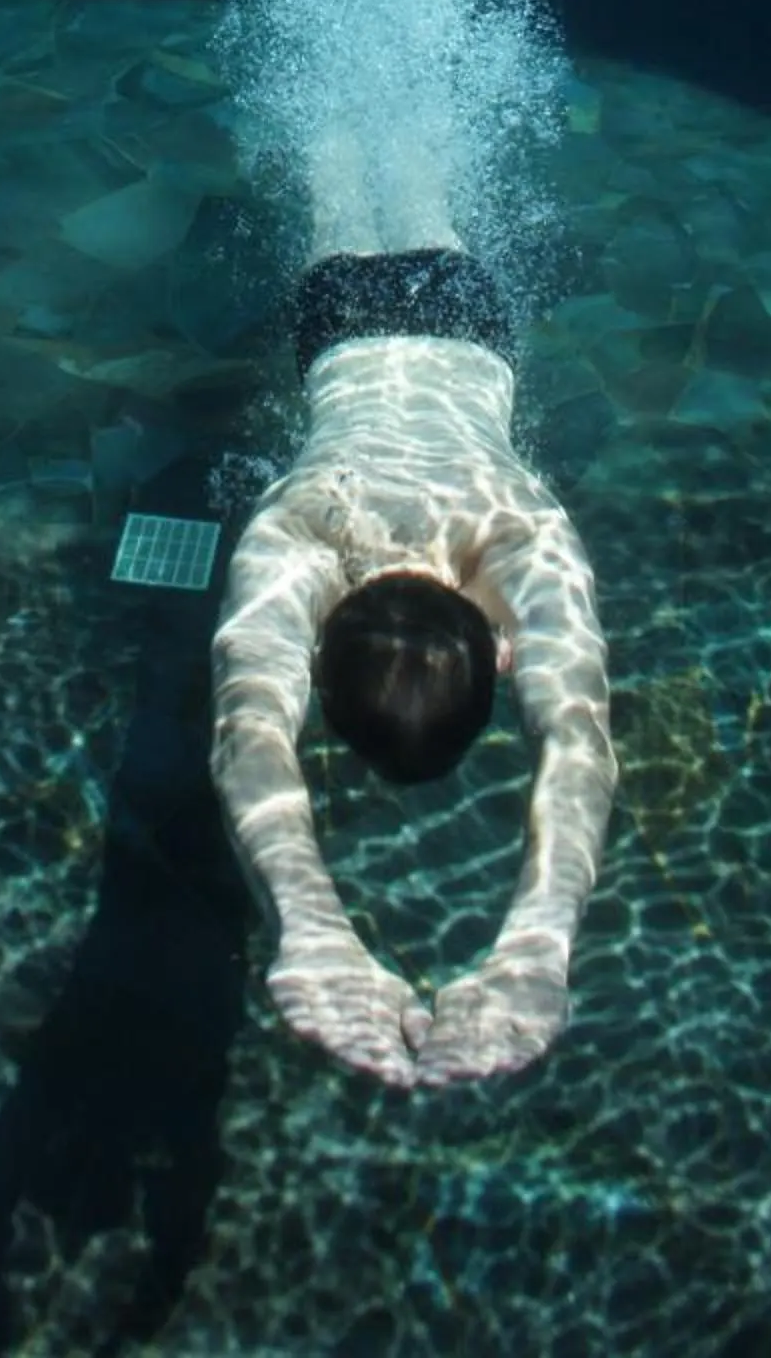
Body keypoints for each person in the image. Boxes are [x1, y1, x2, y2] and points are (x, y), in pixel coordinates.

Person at [209, 236, 616, 1090]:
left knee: (391, 181)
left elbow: (251, 729)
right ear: (505, 652)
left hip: (464, 326)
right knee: (351, 192)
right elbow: (574, 735)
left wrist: (314, 927)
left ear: (501, 649)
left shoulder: (514, 535)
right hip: (344, 327)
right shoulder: (305, 530)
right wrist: (534, 952)